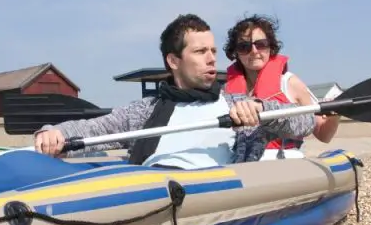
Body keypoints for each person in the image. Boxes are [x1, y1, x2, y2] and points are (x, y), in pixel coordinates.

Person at [33, 14, 316, 169]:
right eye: (200, 51)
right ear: (173, 61)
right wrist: (53, 133)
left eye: (213, 51)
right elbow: (93, 130)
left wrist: (263, 111)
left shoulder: (238, 106)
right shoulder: (143, 112)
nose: (211, 59)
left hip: (217, 204)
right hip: (155, 197)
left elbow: (305, 123)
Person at [221, 14, 339, 159]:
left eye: (261, 44)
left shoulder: (290, 83)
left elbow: (323, 134)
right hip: (243, 164)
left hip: (284, 163)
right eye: (244, 46)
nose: (254, 51)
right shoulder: (225, 92)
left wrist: (335, 114)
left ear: (271, 47)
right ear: (236, 52)